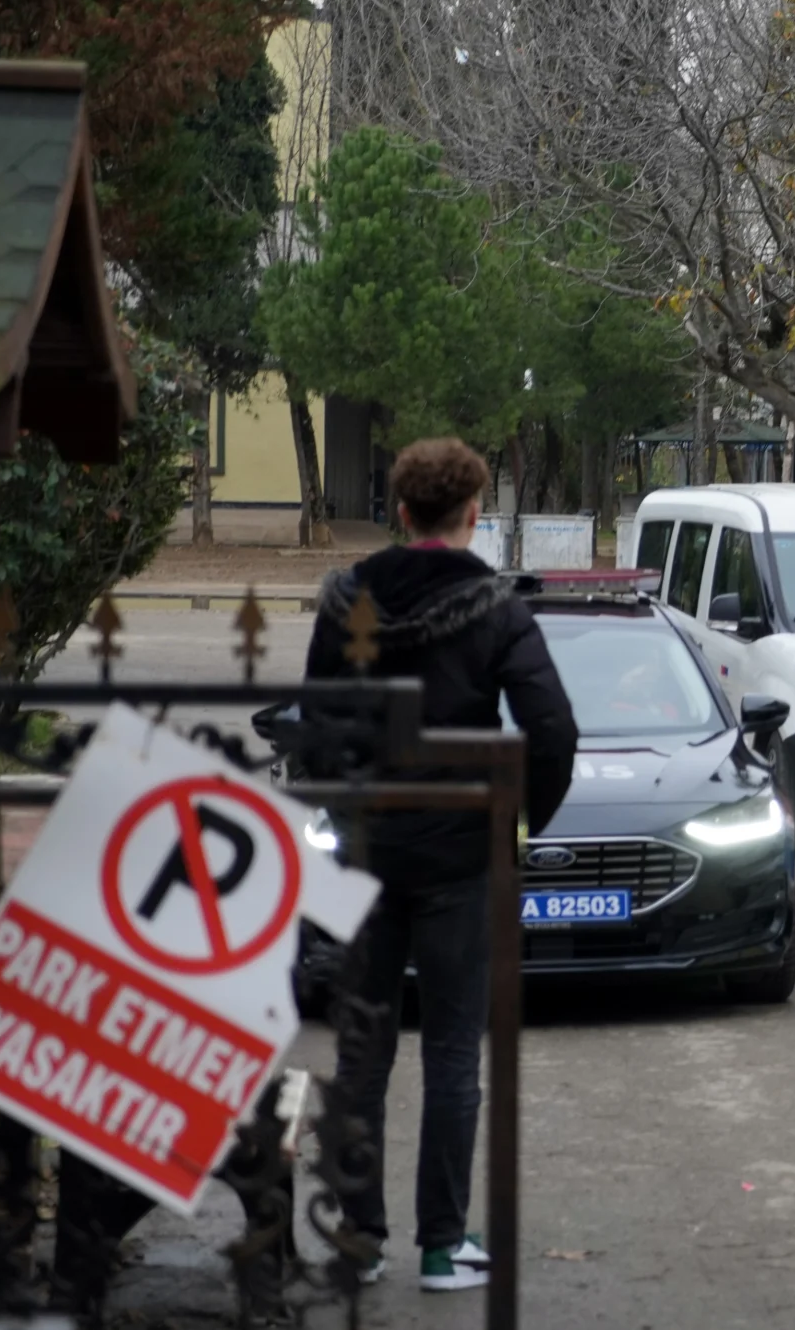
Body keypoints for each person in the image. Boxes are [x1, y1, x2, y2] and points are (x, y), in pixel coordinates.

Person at [306, 439, 577, 1293]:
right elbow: (552, 727)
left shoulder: (346, 598)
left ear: (398, 512)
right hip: (461, 853)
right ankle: (440, 1246)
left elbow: (317, 722)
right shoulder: (495, 608)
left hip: (366, 852)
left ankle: (358, 1242)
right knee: (454, 1050)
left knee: (362, 1049)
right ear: (472, 514)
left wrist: (346, 814)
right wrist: (518, 826)